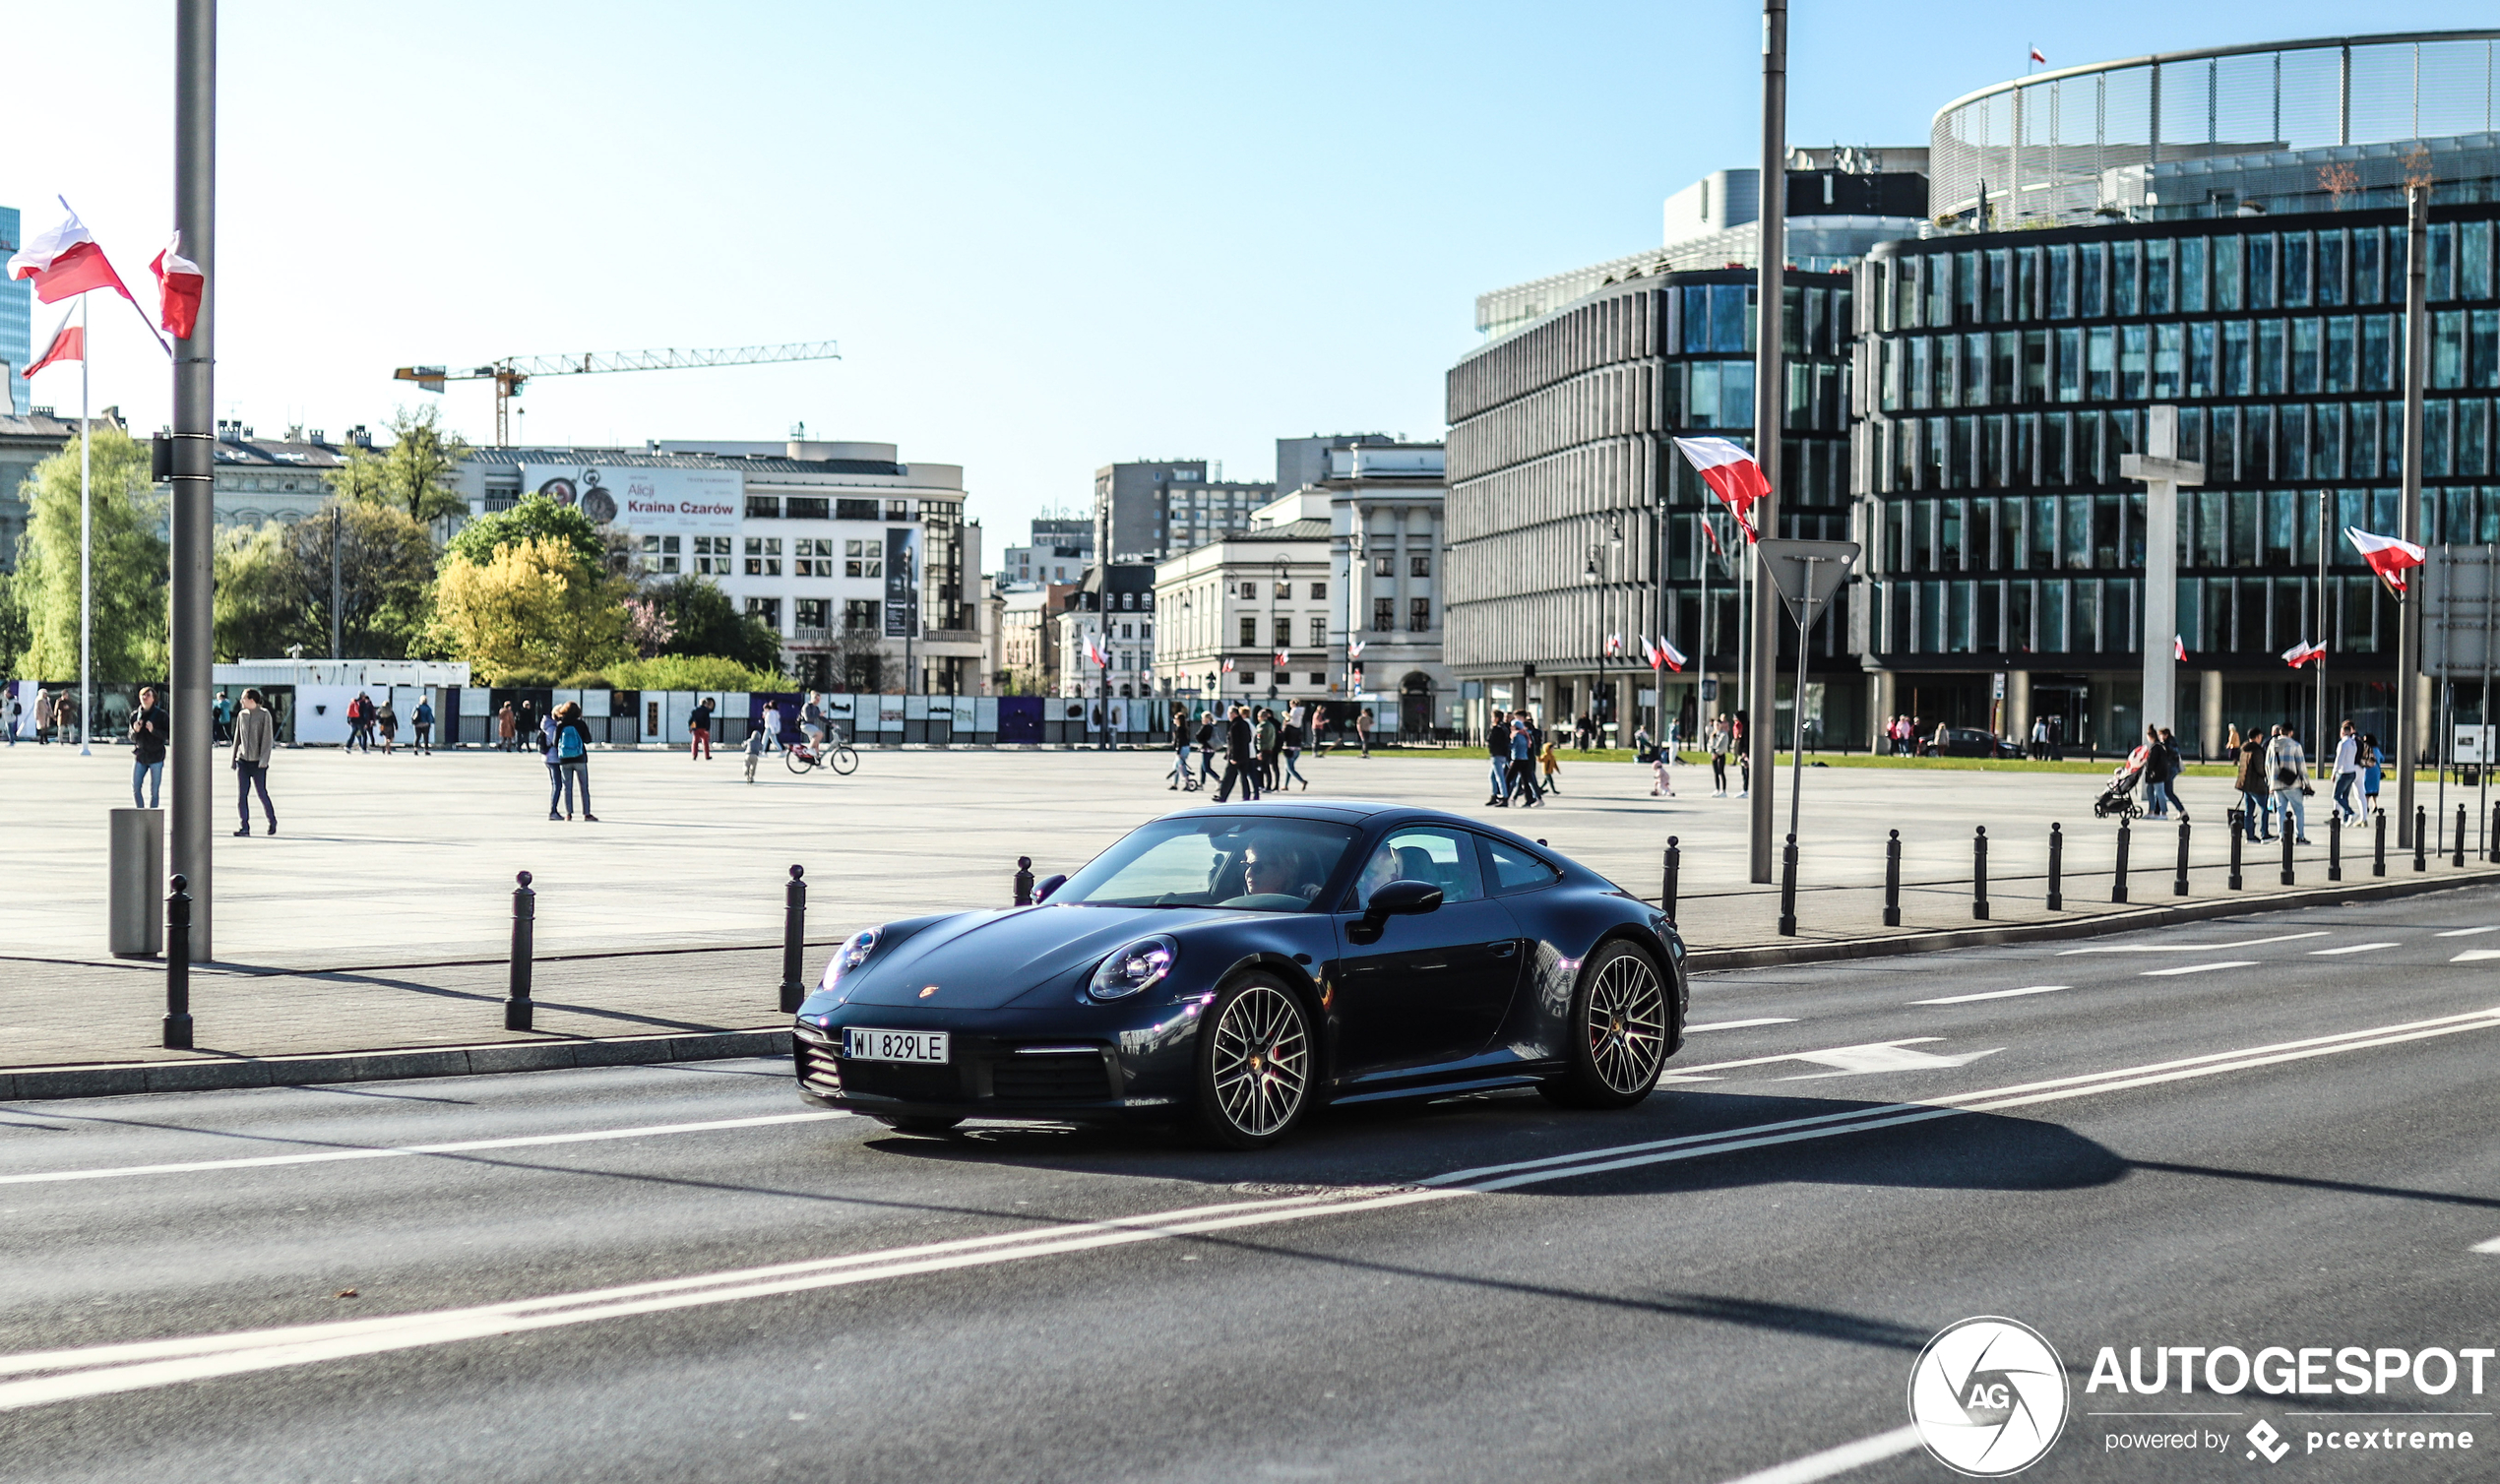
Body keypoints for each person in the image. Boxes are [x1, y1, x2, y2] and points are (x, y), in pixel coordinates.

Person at [230, 688, 277, 836]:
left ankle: (272, 821)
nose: (241, 701)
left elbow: (267, 739)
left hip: (258, 763)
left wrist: (263, 760)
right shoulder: (241, 715)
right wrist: (233, 758)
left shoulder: (264, 715)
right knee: (242, 795)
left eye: (243, 698)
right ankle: (244, 826)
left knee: (261, 793)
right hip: (243, 761)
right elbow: (237, 737)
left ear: (251, 700)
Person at [550, 701, 597, 821]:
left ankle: (568, 814)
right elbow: (588, 739)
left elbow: (555, 744)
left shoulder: (560, 725)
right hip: (580, 758)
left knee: (567, 787)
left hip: (564, 760)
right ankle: (586, 814)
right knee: (584, 787)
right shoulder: (580, 724)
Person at [2267, 723, 2310, 844]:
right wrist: (2306, 783)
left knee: (2280, 810)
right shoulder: (2295, 745)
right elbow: (2301, 766)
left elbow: (2267, 764)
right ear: (2291, 732)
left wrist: (2270, 782)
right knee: (2298, 809)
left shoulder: (2272, 745)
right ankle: (2299, 836)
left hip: (2276, 783)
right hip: (2292, 783)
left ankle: (2283, 836)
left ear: (2280, 732)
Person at [129, 687, 168, 809]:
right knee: (135, 787)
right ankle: (140, 810)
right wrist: (135, 731)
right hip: (141, 755)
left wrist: (153, 730)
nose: (145, 698)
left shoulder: (161, 715)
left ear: (154, 699)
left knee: (154, 790)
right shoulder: (135, 715)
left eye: (148, 695)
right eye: (142, 695)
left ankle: (153, 814)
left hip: (156, 756)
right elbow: (131, 737)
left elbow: (168, 735)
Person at [1215, 705, 1261, 803]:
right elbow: (1248, 739)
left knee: (1229, 776)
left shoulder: (1235, 726)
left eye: (1229, 714)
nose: (1228, 716)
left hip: (1236, 757)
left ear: (1233, 714)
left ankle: (1223, 796)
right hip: (1245, 755)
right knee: (1244, 777)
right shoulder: (1244, 724)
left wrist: (1233, 757)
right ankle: (1246, 796)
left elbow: (1234, 743)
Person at [2235, 726, 2273, 841]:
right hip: (2256, 785)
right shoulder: (2257, 750)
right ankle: (2264, 833)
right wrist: (2267, 775)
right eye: (2260, 736)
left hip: (2246, 784)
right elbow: (2260, 768)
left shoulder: (2244, 749)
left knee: (2249, 811)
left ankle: (2250, 835)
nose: (2261, 738)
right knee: (2265, 808)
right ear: (2256, 737)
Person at [1506, 713, 1542, 807]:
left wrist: (1508, 742)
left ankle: (1505, 798)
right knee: (1525, 780)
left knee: (1508, 779)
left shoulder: (1516, 735)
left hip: (1517, 759)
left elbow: (1512, 747)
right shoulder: (1526, 736)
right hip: (1525, 759)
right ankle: (1529, 799)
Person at [2330, 718, 2361, 824]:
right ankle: (2346, 818)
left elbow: (2339, 759)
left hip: (2344, 772)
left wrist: (2334, 772)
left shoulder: (2343, 743)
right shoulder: (2353, 743)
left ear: (2343, 732)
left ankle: (2351, 813)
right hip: (2352, 772)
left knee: (2336, 796)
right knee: (2345, 796)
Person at [2141, 725, 2173, 820]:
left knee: (2160, 793)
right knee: (2150, 791)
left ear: (2150, 736)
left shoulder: (2156, 747)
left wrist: (2146, 765)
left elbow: (2152, 762)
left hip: (2157, 775)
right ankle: (2152, 811)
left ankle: (2164, 813)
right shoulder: (2157, 746)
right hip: (2155, 774)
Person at [2156, 728, 2190, 822]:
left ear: (2166, 735)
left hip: (2169, 770)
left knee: (2165, 791)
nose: (2160, 737)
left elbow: (2170, 755)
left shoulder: (2168, 744)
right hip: (2172, 769)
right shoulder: (2172, 742)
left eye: (2161, 735)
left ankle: (2160, 812)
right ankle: (2180, 810)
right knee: (2166, 791)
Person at [1256, 706, 1281, 789]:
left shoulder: (1263, 725)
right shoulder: (1276, 723)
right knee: (1273, 767)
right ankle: (1275, 785)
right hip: (1274, 748)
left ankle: (1263, 785)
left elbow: (1260, 739)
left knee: (1264, 767)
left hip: (1266, 748)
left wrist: (1259, 750)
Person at [1167, 706, 1193, 790]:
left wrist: (1178, 751)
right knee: (1177, 766)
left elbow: (1180, 741)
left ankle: (1187, 783)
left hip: (1182, 749)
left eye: (1175, 718)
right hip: (1185, 748)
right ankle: (1175, 784)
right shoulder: (1184, 728)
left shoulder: (1179, 729)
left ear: (1178, 720)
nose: (1174, 720)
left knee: (1180, 767)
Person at [2360, 733, 2384, 819]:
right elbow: (2382, 758)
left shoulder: (2366, 749)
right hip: (2376, 771)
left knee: (2366, 789)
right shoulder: (2376, 749)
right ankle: (2374, 805)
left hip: (2367, 770)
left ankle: (2366, 806)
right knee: (2374, 789)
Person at [1195, 710, 1220, 785]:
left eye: (1203, 718)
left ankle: (1218, 779)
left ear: (1207, 719)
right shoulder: (1213, 726)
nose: (1202, 720)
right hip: (1212, 749)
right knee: (1203, 766)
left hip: (1207, 749)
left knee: (1206, 767)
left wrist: (1203, 726)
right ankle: (1202, 782)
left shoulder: (1206, 727)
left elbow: (1198, 736)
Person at [689, 697, 716, 761]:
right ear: (705, 704)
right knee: (705, 743)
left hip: (696, 728)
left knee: (695, 742)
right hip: (703, 728)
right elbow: (707, 720)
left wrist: (690, 728)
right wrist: (707, 729)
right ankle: (707, 756)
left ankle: (694, 755)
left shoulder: (694, 710)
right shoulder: (706, 711)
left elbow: (691, 720)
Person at [1538, 728, 1563, 795]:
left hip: (1550, 771)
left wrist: (1557, 770)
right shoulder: (1545, 756)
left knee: (1546, 781)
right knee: (1550, 781)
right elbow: (1541, 760)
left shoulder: (1552, 756)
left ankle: (1539, 789)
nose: (1553, 750)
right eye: (1552, 748)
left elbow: (1554, 764)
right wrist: (1538, 757)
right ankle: (1554, 791)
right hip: (1546, 771)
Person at [743, 716, 766, 783]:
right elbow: (761, 747)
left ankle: (745, 771)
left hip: (747, 754)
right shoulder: (758, 742)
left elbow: (744, 744)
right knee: (753, 767)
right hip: (755, 756)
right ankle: (751, 776)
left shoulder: (749, 741)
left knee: (746, 764)